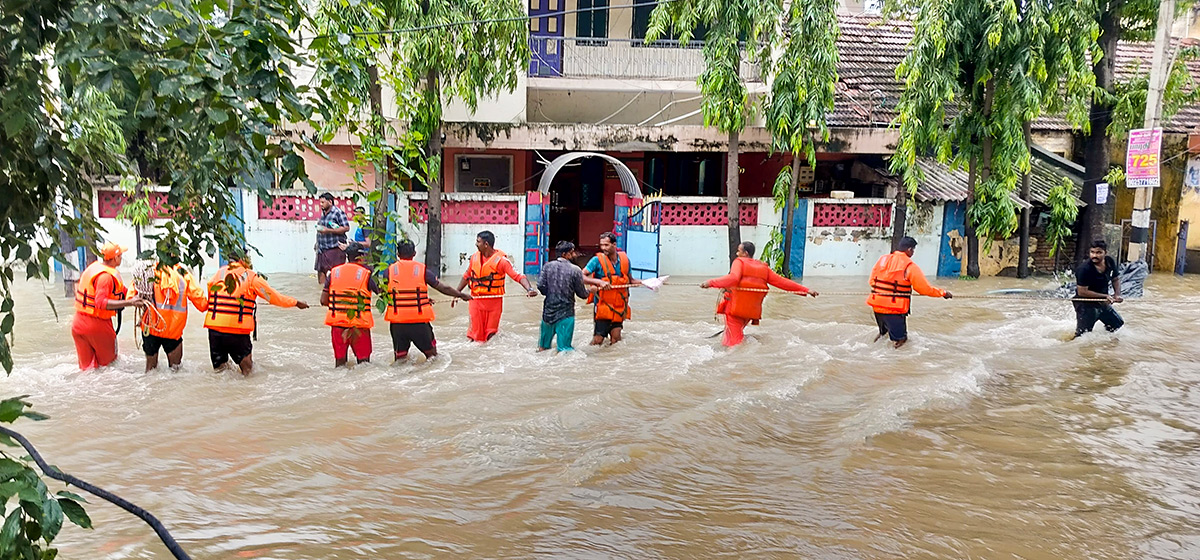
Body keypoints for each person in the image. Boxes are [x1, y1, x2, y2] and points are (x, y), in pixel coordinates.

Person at [204, 253, 309, 375]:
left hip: (214, 330)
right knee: (248, 370)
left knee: (220, 371)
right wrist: (296, 303)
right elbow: (274, 297)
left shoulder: (217, 275)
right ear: (243, 260)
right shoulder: (251, 277)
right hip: (237, 331)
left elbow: (211, 298)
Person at [701, 241, 817, 347]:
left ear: (745, 253)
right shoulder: (763, 268)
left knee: (734, 344)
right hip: (749, 312)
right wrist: (806, 290)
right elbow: (783, 282)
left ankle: (735, 363)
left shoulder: (739, 262)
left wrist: (710, 283)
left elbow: (733, 278)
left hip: (734, 310)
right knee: (731, 334)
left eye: (739, 251)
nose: (737, 254)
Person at [383, 240, 472, 362]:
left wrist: (417, 299)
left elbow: (386, 294)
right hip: (418, 322)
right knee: (433, 357)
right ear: (414, 253)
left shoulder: (389, 271)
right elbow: (443, 287)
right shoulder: (421, 270)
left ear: (398, 254)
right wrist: (461, 295)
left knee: (400, 359)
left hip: (397, 323)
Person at [866, 236, 953, 349]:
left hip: (877, 306)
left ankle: (872, 352)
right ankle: (892, 364)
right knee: (901, 340)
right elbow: (924, 289)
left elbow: (871, 281)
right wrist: (943, 293)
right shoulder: (909, 266)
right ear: (909, 250)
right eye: (913, 250)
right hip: (894, 310)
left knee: (883, 335)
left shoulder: (882, 260)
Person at [72, 242, 147, 370]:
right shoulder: (106, 277)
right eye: (120, 255)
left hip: (78, 324)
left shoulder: (94, 268)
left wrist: (138, 294)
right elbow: (100, 303)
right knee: (110, 365)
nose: (122, 258)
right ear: (115, 258)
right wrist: (130, 302)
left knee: (87, 369)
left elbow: (122, 291)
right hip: (97, 325)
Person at [455, 230, 538, 342]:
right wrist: (456, 293)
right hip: (475, 300)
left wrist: (529, 289)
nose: (476, 244)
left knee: (491, 335)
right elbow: (467, 276)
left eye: (478, 241)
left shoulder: (502, 261)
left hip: (494, 302)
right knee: (474, 336)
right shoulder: (474, 258)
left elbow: (518, 275)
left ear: (486, 244)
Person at [138, 262, 208, 371]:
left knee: (150, 371)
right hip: (173, 331)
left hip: (150, 329)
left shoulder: (148, 272)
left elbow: (131, 298)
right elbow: (202, 304)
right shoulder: (184, 275)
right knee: (176, 372)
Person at [322, 244, 383, 367]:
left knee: (340, 364)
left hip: (338, 325)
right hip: (359, 325)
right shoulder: (367, 274)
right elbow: (382, 293)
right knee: (364, 364)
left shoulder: (334, 273)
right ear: (361, 257)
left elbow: (323, 300)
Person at [539, 241, 606, 352]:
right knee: (564, 349)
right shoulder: (575, 270)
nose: (575, 255)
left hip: (548, 313)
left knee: (543, 347)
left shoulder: (547, 267)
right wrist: (591, 291)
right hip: (566, 315)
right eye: (572, 252)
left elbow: (541, 286)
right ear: (566, 254)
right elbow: (582, 294)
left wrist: (551, 293)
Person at [584, 232, 642, 346]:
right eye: (601, 245)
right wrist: (597, 282)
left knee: (616, 339)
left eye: (606, 245)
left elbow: (631, 280)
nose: (603, 248)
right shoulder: (596, 260)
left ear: (614, 245)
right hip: (603, 306)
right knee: (598, 340)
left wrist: (648, 283)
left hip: (619, 306)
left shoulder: (625, 261)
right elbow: (581, 276)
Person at [1073, 239, 1124, 338]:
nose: (1094, 255)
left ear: (1105, 253)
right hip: (1085, 304)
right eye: (1092, 252)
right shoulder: (1084, 269)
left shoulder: (1109, 262)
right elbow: (1082, 292)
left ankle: (1106, 347)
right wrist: (1106, 296)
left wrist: (1117, 294)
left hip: (1102, 302)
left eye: (1099, 252)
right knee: (1082, 337)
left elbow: (1115, 279)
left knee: (1116, 325)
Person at [314, 192, 349, 285]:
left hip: (335, 248)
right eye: (320, 203)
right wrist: (317, 243)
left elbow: (346, 228)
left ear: (330, 201)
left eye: (323, 202)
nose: (321, 205)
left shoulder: (338, 213)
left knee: (337, 273)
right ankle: (323, 292)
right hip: (322, 248)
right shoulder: (323, 214)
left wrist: (328, 230)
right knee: (320, 271)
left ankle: (337, 292)